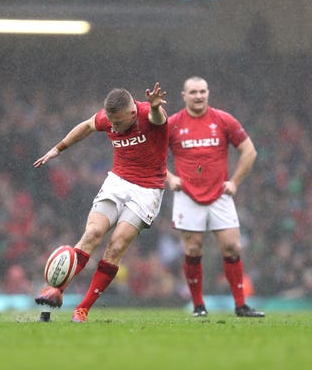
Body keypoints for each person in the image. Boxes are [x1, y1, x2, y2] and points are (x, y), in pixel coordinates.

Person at [34, 83, 169, 323]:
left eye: (118, 122)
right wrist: (58, 149)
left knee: (116, 246)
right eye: (111, 122)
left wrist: (157, 107)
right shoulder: (109, 118)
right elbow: (87, 126)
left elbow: (158, 119)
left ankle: (83, 308)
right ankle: (56, 290)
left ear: (132, 113)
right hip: (118, 182)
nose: (113, 127)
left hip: (147, 190)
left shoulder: (149, 113)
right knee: (93, 233)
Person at [166, 76, 264, 317]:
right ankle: (199, 306)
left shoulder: (223, 120)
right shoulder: (173, 124)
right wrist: (170, 178)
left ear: (208, 93)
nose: (198, 96)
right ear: (184, 96)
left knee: (232, 247)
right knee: (193, 249)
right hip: (187, 194)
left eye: (202, 91)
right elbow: (151, 156)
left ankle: (241, 305)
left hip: (220, 194)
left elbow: (249, 151)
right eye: (193, 92)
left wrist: (235, 182)